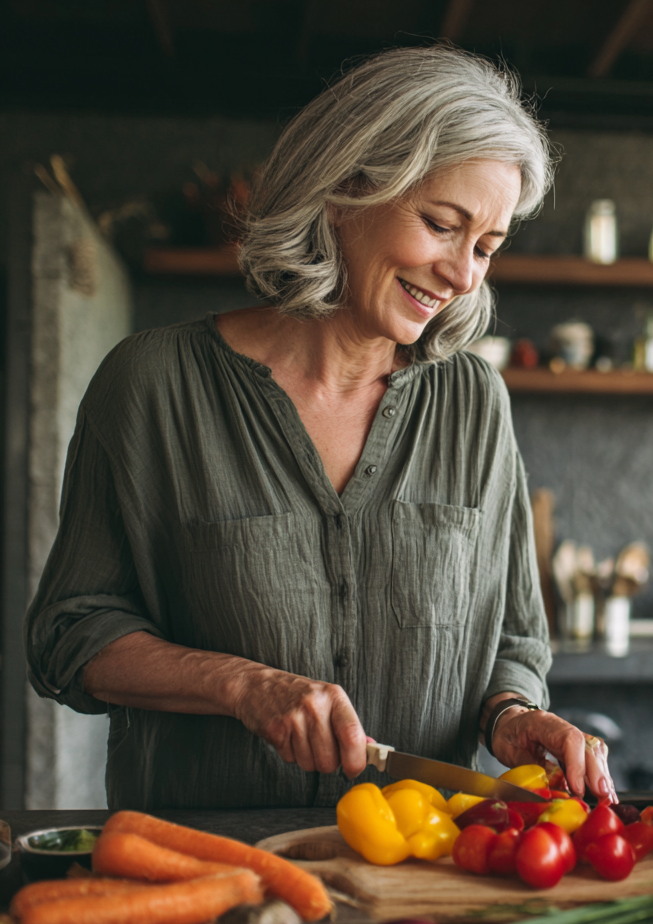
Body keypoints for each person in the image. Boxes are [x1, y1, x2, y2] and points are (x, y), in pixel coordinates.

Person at [25, 45, 616, 810]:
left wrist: (512, 716)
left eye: (486, 248)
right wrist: (242, 685)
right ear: (344, 190)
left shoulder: (473, 402)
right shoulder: (150, 385)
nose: (463, 274)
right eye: (442, 225)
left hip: (422, 876)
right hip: (209, 870)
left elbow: (512, 639)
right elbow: (70, 633)